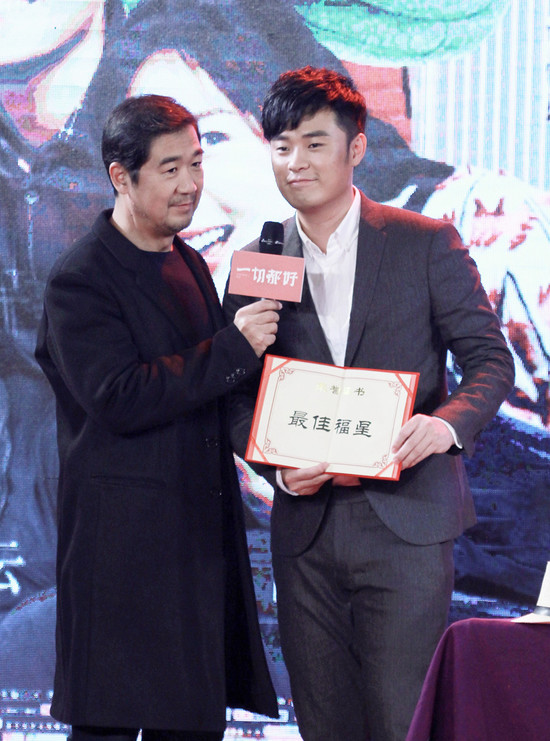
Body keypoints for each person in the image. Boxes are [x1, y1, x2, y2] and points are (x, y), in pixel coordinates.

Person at [223, 67, 515, 741]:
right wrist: (274, 468)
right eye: (281, 146)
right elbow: (235, 394)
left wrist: (444, 427)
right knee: (326, 722)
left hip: (406, 522)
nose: (295, 162)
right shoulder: (260, 260)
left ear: (356, 148)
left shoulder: (424, 241)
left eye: (314, 143)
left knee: (403, 719)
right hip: (307, 528)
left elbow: (489, 360)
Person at [34, 94, 281, 741]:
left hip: (195, 546)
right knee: (109, 725)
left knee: (194, 724)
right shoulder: (80, 278)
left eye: (197, 162)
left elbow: (210, 388)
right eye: (170, 168)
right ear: (121, 176)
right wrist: (233, 347)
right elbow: (118, 395)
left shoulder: (188, 259)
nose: (191, 183)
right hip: (120, 555)